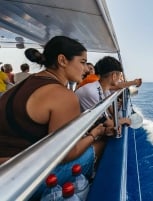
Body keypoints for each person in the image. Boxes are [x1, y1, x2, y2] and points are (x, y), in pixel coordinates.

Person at [0, 36, 114, 198]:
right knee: (102, 145)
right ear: (62, 60)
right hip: (19, 180)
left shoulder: (25, 84)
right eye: (82, 62)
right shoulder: (62, 95)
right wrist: (96, 134)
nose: (87, 69)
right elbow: (67, 154)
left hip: (8, 169)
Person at [75, 56, 132, 127]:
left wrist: (118, 119)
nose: (120, 79)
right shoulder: (92, 91)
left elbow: (110, 112)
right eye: (119, 75)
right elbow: (105, 123)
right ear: (114, 76)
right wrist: (124, 120)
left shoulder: (103, 89)